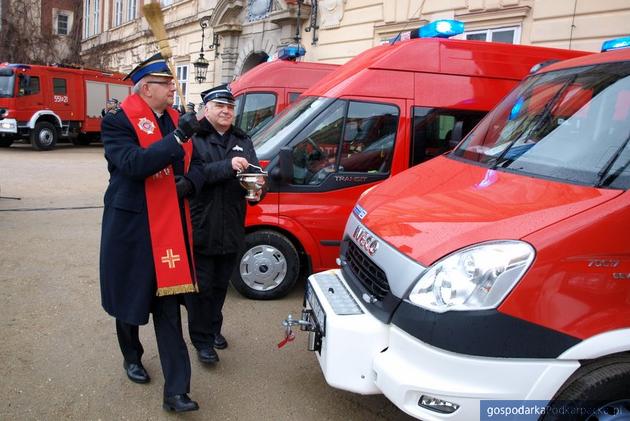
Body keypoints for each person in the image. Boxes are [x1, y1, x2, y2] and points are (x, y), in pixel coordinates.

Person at [99, 52, 202, 412]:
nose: (174, 88)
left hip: (170, 227)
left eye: (173, 82)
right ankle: (131, 354)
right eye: (167, 82)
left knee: (168, 307)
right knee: (130, 300)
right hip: (132, 225)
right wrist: (177, 138)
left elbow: (198, 164)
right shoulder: (118, 121)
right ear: (146, 88)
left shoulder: (176, 119)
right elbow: (132, 164)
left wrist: (190, 182)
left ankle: (177, 391)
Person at [184, 84, 265, 365]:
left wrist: (257, 189)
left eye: (230, 107)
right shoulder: (194, 138)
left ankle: (213, 329)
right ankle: (202, 341)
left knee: (219, 286)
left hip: (231, 225)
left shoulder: (243, 139)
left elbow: (253, 174)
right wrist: (228, 166)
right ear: (207, 110)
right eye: (220, 106)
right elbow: (192, 177)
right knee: (201, 288)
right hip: (201, 224)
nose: (226, 111)